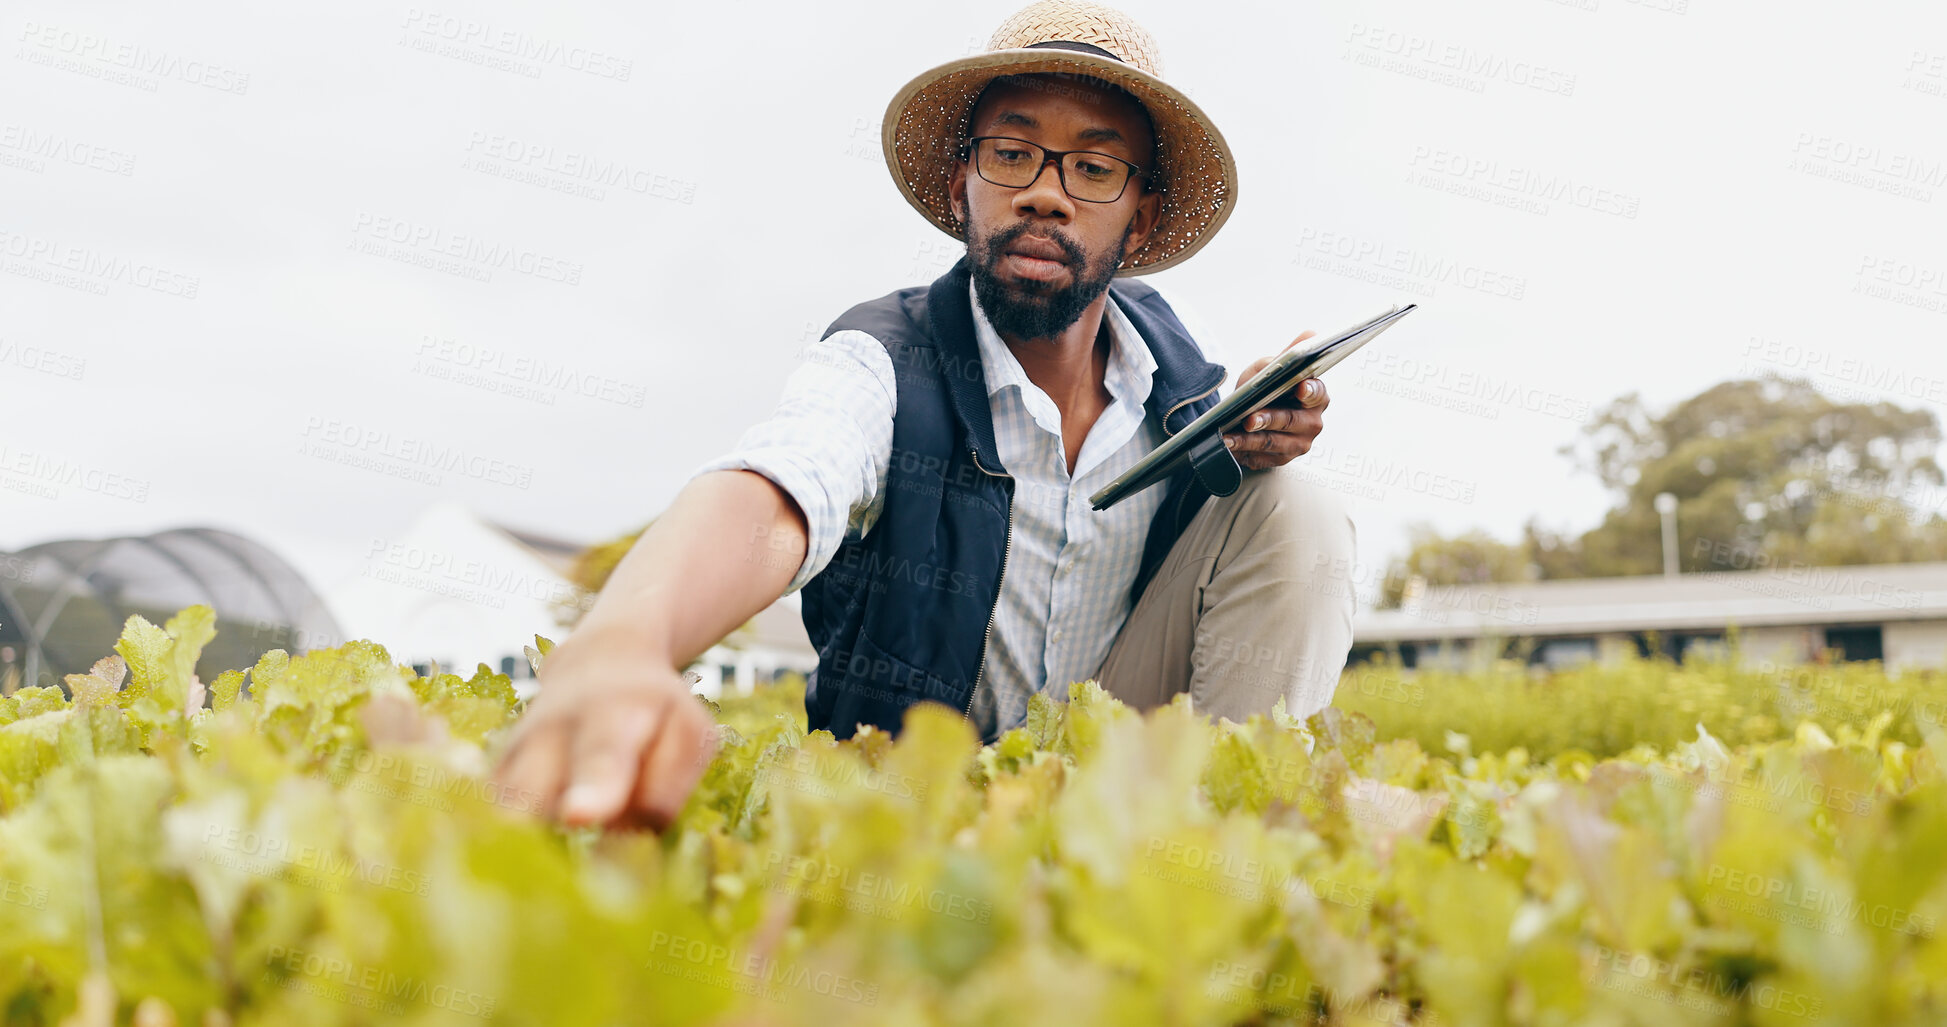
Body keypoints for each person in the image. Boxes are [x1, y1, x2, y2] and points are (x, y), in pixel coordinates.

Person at [491, 0, 1357, 831]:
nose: (1045, 195)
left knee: (1296, 509)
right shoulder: (885, 361)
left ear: (1142, 220)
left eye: (1093, 168)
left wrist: (1239, 454)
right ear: (960, 187)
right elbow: (785, 482)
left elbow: (1239, 573)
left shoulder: (1181, 395)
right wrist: (626, 640)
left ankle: (1206, 883)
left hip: (1119, 810)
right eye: (1012, 154)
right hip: (922, 811)